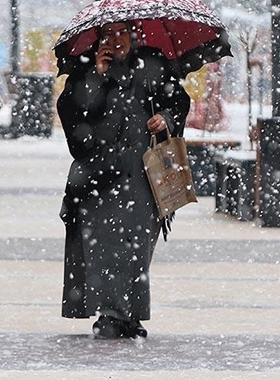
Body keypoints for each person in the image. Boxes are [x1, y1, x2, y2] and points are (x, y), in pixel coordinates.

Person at [57, 21, 190, 339]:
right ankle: (110, 313)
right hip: (98, 176)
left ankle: (130, 314)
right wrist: (97, 77)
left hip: (143, 172)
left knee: (138, 246)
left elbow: (179, 101)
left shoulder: (153, 65)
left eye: (122, 33)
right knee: (104, 245)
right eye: (108, 35)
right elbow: (74, 115)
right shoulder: (85, 71)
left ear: (133, 35)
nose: (116, 40)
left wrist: (166, 119)